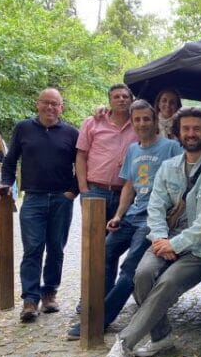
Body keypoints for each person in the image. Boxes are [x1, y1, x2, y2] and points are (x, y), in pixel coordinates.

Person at [101, 107, 201, 357]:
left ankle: (124, 342)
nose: (191, 133)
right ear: (177, 133)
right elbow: (156, 207)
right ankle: (161, 337)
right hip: (166, 239)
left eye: (196, 128)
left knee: (167, 281)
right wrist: (161, 239)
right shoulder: (168, 167)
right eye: (185, 129)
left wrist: (174, 244)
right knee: (141, 275)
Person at [67, 99, 181, 340]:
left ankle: (99, 320)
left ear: (154, 121)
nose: (141, 124)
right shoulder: (133, 150)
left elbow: (185, 181)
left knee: (131, 269)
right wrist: (119, 215)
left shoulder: (170, 147)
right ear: (132, 121)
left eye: (146, 119)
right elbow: (129, 185)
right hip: (131, 216)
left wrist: (174, 214)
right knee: (103, 254)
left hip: (154, 219)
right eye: (137, 119)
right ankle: (96, 305)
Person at [0, 88, 79, 322]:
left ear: (61, 107)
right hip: (33, 198)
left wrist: (72, 192)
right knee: (33, 248)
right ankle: (30, 300)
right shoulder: (23, 128)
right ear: (38, 104)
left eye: (56, 104)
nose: (50, 108)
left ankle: (50, 293)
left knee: (56, 248)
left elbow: (83, 164)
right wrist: (6, 184)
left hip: (61, 200)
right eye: (46, 103)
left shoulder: (71, 133)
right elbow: (10, 160)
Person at [76, 83, 137, 223]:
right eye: (116, 97)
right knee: (93, 240)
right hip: (95, 191)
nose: (121, 99)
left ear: (131, 100)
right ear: (109, 101)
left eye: (125, 96)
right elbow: (81, 156)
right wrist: (84, 189)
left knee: (118, 241)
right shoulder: (92, 122)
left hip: (126, 193)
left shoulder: (139, 124)